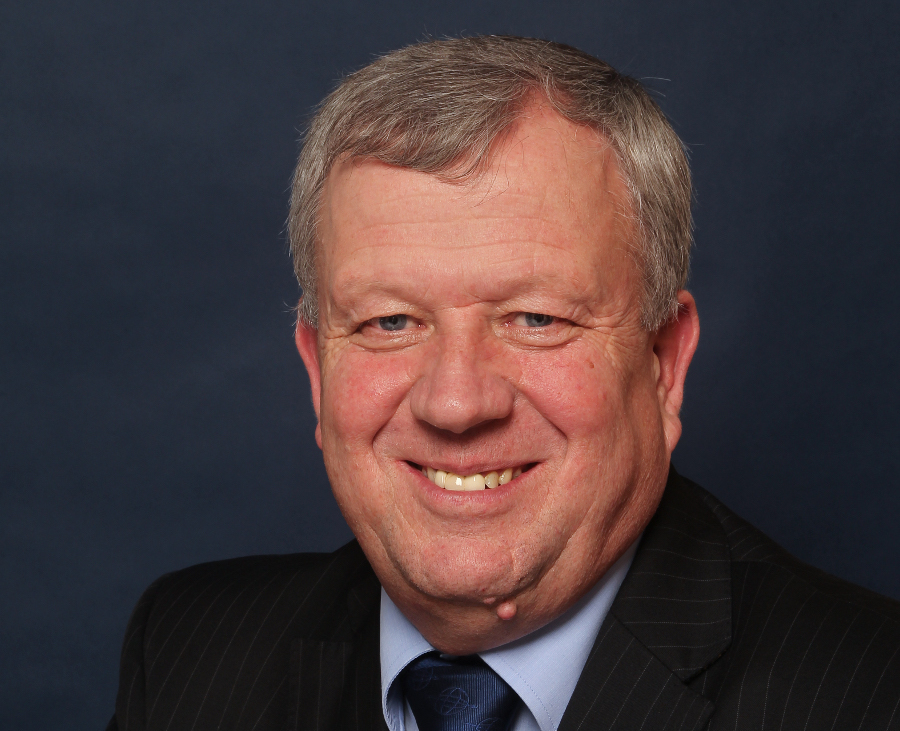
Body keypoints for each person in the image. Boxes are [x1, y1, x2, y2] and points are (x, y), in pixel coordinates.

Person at [108, 36, 900, 731]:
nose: (456, 403)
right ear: (318, 371)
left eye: (535, 317)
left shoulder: (869, 697)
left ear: (663, 362)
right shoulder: (187, 657)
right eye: (390, 321)